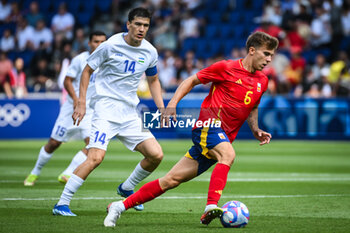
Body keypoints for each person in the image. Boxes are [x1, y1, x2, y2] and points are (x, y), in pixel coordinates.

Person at [104, 31, 279, 227]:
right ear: (252, 50)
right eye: (266, 54)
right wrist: (172, 104)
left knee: (171, 180)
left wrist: (255, 129)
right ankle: (211, 206)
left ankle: (119, 206)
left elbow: (253, 106)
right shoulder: (226, 67)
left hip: (221, 138)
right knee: (228, 155)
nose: (269, 59)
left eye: (272, 55)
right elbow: (191, 80)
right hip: (209, 126)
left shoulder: (262, 81)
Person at [52, 7, 164, 216]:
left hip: (129, 113)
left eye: (145, 25)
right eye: (137, 24)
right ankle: (61, 203)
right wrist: (82, 102)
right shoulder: (110, 46)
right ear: (128, 24)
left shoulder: (149, 51)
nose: (141, 29)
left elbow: (154, 79)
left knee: (156, 155)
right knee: (95, 158)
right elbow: (87, 71)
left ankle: (127, 188)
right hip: (105, 110)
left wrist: (163, 108)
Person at [24, 31, 107, 186]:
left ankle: (67, 173)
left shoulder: (108, 61)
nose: (99, 45)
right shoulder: (80, 60)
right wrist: (76, 99)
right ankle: (34, 173)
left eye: (103, 42)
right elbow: (67, 81)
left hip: (91, 110)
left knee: (93, 145)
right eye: (96, 41)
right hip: (72, 108)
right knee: (54, 143)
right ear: (89, 43)